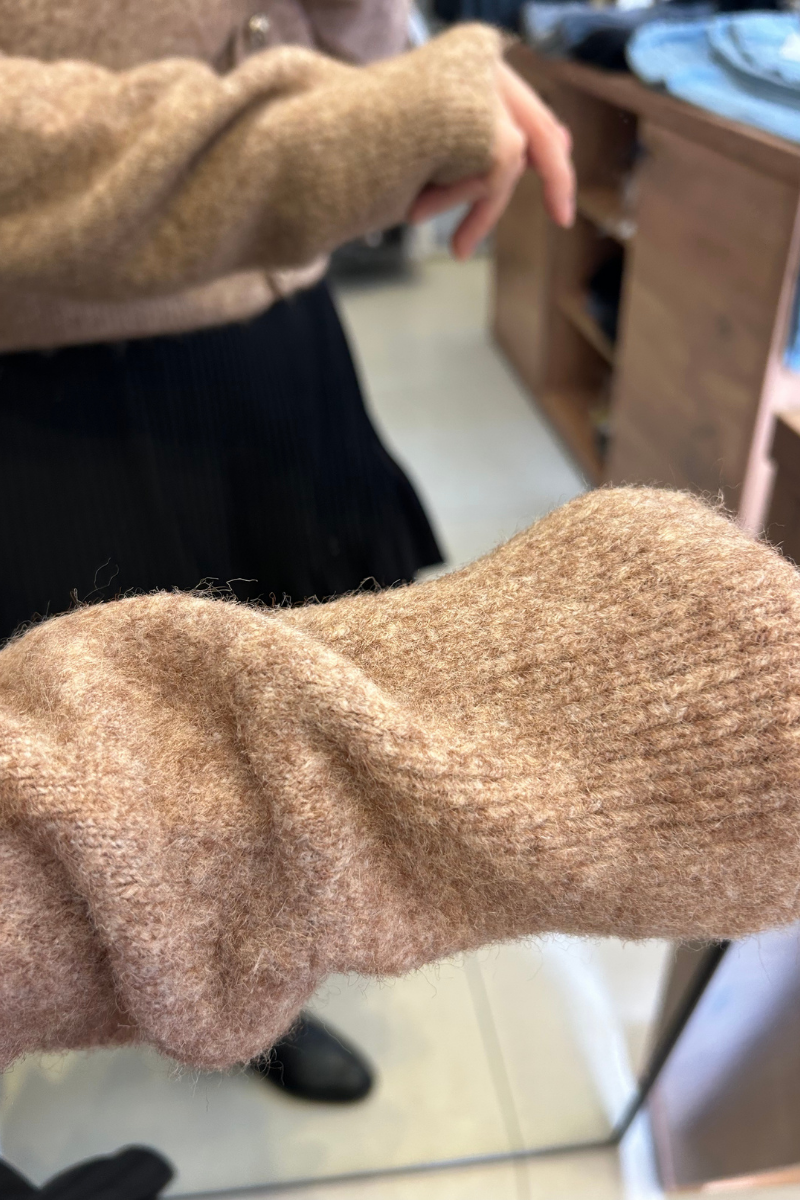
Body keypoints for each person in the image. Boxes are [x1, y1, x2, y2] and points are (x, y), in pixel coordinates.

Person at [0, 0, 574, 1103]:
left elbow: (354, 48)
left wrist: (380, 67)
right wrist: (361, 130)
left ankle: (254, 991)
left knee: (284, 720)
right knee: (58, 758)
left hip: (267, 334)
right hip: (37, 370)